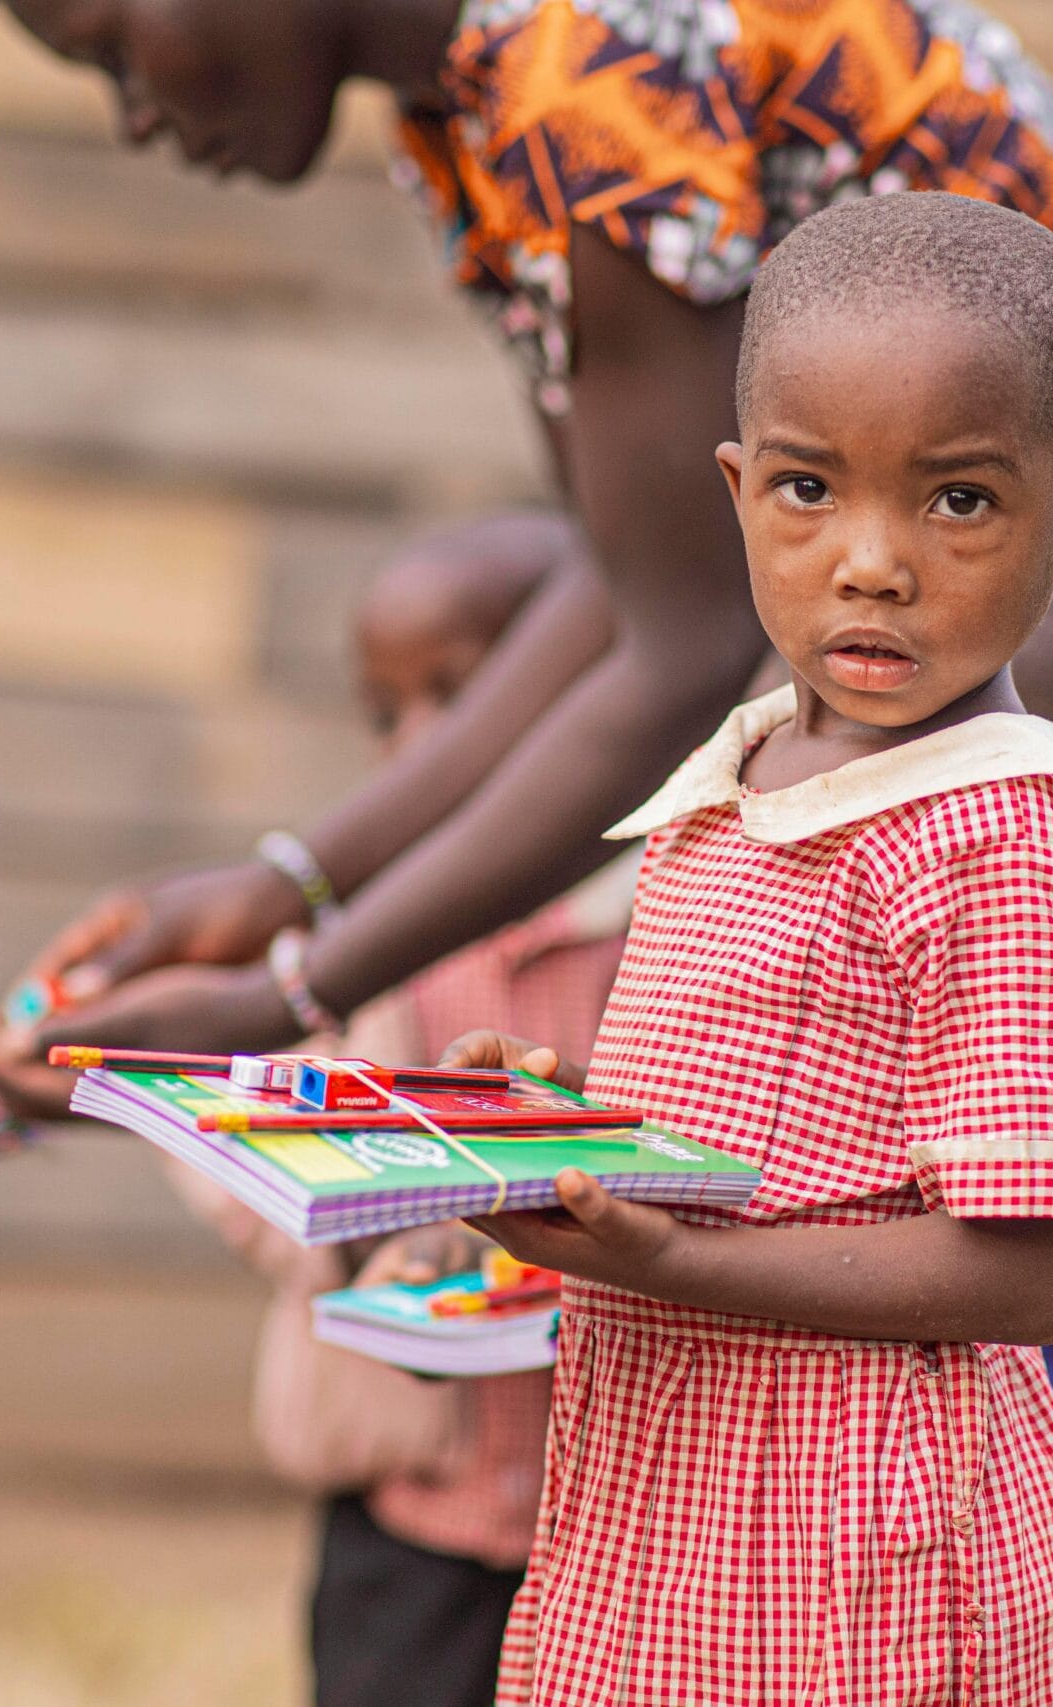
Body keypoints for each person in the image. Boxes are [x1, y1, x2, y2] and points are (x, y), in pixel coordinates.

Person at [0, 3, 1053, 1701]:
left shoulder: (590, 67)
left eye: (116, 34)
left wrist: (299, 975)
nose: (134, 112)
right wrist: (297, 890)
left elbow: (670, 643)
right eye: (801, 492)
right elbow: (639, 577)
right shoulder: (475, 115)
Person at [433, 192, 1053, 1705]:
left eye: (959, 501)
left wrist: (674, 1256)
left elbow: (1043, 1269)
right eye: (809, 488)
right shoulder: (743, 769)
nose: (870, 562)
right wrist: (558, 1132)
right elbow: (769, 1128)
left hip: (861, 1552)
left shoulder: (989, 838)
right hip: (671, 1506)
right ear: (738, 491)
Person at [172, 518, 631, 1707]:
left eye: (460, 698)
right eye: (387, 712)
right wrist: (367, 1234)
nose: (419, 746)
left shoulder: (666, 917)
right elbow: (231, 1148)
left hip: (624, 1524)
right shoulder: (354, 936)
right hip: (407, 1514)